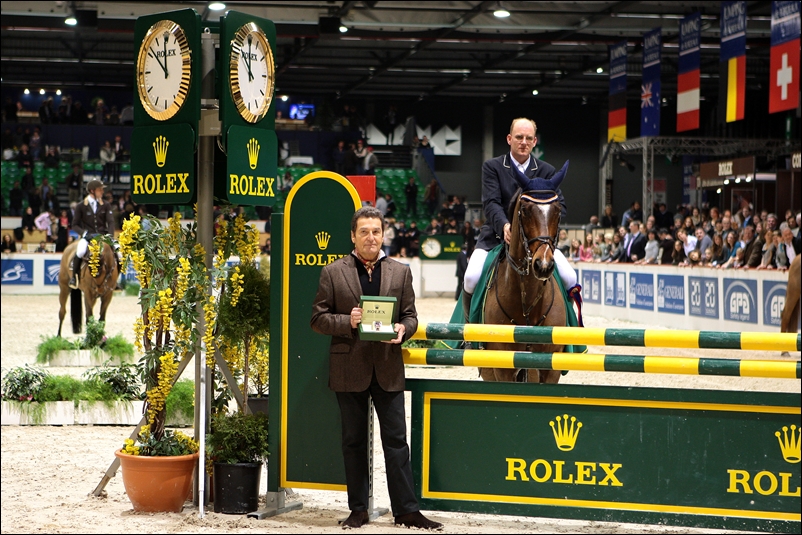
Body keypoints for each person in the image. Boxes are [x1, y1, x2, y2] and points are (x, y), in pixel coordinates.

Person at [310, 206, 443, 531]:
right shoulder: (332, 272)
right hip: (348, 368)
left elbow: (410, 316)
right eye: (364, 232)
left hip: (387, 368)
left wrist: (403, 331)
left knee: (397, 442)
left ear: (384, 234)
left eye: (376, 231)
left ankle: (407, 511)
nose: (371, 237)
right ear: (353, 236)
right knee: (353, 443)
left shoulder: (400, 271)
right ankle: (359, 510)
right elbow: (317, 319)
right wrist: (347, 321)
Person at [68, 180, 115, 289]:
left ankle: (114, 280)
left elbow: (111, 222)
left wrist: (111, 236)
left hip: (103, 236)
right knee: (80, 251)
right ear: (92, 191)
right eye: (100, 190)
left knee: (118, 252)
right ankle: (74, 277)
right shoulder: (81, 206)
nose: (102, 192)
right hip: (88, 236)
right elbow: (74, 224)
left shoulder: (106, 205)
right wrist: (84, 233)